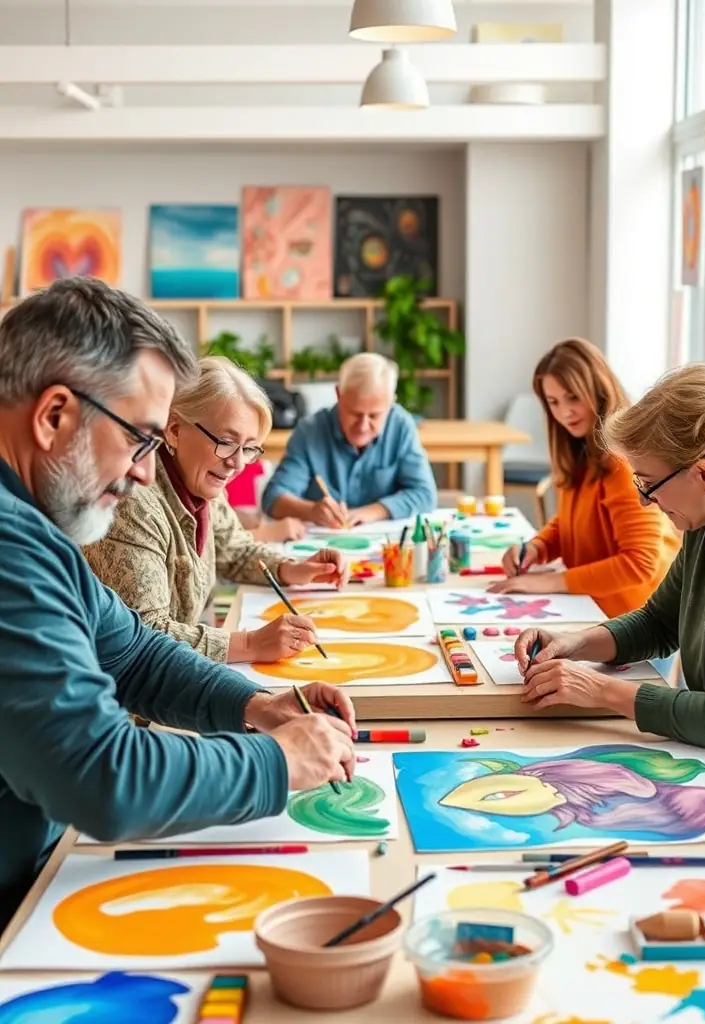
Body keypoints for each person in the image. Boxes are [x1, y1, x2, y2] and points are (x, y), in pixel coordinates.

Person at [0, 278, 356, 933]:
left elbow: (131, 649)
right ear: (54, 416)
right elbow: (102, 778)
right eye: (140, 439)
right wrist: (279, 761)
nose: (144, 472)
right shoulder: (8, 549)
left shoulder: (33, 522)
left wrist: (255, 705)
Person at [514, 364, 705, 802]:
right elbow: (659, 622)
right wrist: (576, 643)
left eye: (649, 485)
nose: (644, 501)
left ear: (704, 475)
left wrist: (599, 690)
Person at [86, 356, 346, 665]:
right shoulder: (132, 506)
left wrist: (293, 569)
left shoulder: (201, 482)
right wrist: (251, 643)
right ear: (174, 430)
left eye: (249, 448)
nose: (237, 464)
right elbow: (145, 637)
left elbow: (234, 551)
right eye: (225, 442)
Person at [491, 339, 680, 617]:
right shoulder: (581, 450)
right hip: (597, 611)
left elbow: (640, 563)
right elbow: (575, 520)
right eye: (553, 402)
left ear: (599, 390)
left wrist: (551, 582)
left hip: (638, 623)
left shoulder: (623, 462)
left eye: (573, 398)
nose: (564, 413)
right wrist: (538, 547)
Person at [261, 352, 437, 527]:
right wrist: (311, 511)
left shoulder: (401, 426)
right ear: (339, 394)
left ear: (391, 403)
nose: (363, 426)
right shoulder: (309, 431)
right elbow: (273, 498)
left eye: (374, 416)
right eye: (355, 413)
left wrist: (374, 511)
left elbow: (425, 494)